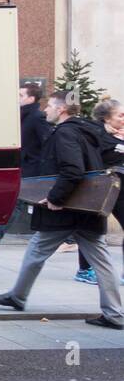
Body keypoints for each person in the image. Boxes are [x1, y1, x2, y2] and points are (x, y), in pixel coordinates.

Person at [0, 91, 123, 329]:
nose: (45, 110)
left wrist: (55, 198)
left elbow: (73, 170)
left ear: (61, 110)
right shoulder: (89, 131)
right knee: (98, 259)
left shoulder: (66, 133)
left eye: (49, 106)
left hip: (68, 208)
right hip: (86, 207)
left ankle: (17, 296)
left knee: (38, 248)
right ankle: (113, 313)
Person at [0, 82, 52, 249]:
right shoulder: (22, 115)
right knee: (33, 203)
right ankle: (69, 239)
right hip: (25, 166)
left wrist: (41, 164)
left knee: (19, 202)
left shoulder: (36, 117)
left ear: (31, 99)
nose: (17, 99)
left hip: (34, 169)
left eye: (20, 95)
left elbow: (47, 142)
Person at [72, 98, 124, 285]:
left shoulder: (116, 135)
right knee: (91, 230)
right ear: (107, 117)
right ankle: (85, 270)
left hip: (118, 188)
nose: (123, 118)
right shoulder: (97, 133)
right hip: (99, 190)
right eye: (120, 115)